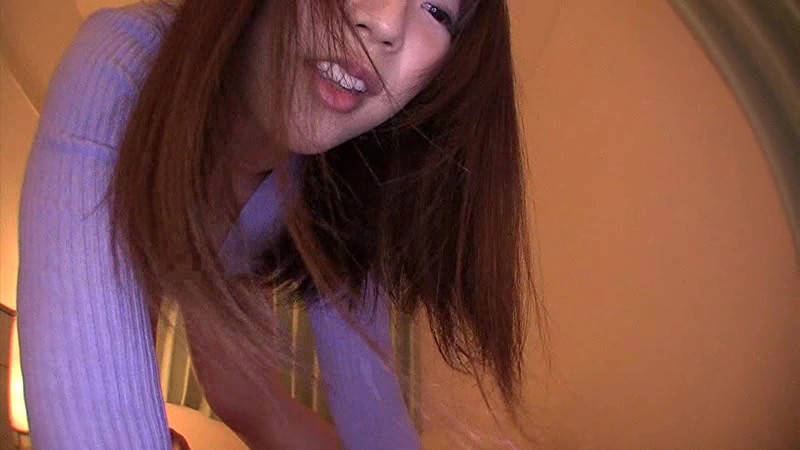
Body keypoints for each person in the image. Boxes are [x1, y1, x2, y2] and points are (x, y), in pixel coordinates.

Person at [17, 0, 543, 448]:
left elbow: (366, 420)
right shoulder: (123, 66)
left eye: (436, 9)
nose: (386, 24)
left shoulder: (338, 190)